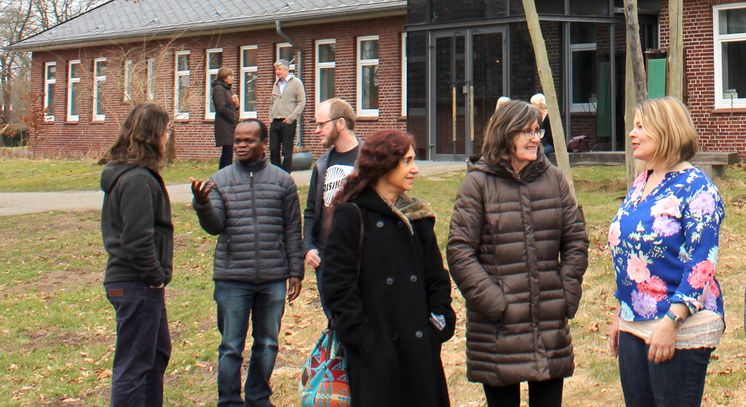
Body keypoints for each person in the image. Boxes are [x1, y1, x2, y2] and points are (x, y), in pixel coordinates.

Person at [447, 100, 588, 407]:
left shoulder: (554, 180)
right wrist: (494, 302)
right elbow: (460, 252)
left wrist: (566, 292)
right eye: (525, 131)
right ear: (504, 135)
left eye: (537, 130)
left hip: (548, 321)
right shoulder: (477, 184)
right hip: (498, 329)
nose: (535, 138)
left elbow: (576, 238)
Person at [322, 130, 456, 407]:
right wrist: (366, 342)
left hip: (421, 353)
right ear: (385, 164)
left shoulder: (418, 216)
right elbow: (338, 288)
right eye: (407, 161)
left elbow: (437, 280)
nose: (415, 169)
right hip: (376, 359)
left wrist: (438, 324)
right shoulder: (352, 215)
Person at [607, 97, 725, 407]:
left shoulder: (697, 187)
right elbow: (632, 254)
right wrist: (622, 311)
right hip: (635, 320)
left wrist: (672, 321)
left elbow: (702, 262)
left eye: (641, 126)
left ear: (667, 131)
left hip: (678, 325)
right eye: (633, 126)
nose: (632, 133)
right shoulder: (641, 181)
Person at [190, 118, 304, 407]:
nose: (240, 145)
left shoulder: (283, 181)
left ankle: (258, 397)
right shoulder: (221, 180)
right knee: (231, 346)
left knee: (267, 344)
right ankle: (229, 400)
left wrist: (295, 271)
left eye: (247, 140)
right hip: (232, 278)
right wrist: (203, 205)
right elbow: (215, 226)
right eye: (237, 140)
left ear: (263, 143)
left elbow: (293, 229)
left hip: (272, 277)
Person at [99, 103, 173, 406]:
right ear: (153, 135)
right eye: (166, 131)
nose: (168, 137)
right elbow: (137, 238)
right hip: (135, 283)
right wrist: (155, 278)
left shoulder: (137, 175)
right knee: (134, 365)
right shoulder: (137, 180)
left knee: (156, 354)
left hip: (138, 284)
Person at [303, 97, 360, 317]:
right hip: (327, 262)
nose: (317, 130)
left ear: (340, 123)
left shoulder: (369, 160)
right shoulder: (321, 165)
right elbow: (310, 211)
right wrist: (308, 247)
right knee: (335, 324)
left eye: (321, 124)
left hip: (359, 259)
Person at [269, 59, 306, 173]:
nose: (277, 72)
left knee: (286, 152)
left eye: (279, 69)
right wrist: (271, 117)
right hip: (275, 121)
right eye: (276, 69)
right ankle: (276, 174)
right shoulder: (276, 84)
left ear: (286, 69)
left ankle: (285, 175)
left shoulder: (296, 83)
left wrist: (292, 117)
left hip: (287, 122)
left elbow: (301, 102)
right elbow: (273, 102)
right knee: (273, 150)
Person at [213, 67, 240, 169]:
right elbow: (220, 107)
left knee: (228, 151)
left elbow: (231, 107)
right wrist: (232, 117)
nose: (233, 78)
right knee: (227, 151)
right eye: (231, 76)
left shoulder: (227, 89)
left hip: (229, 124)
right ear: (224, 77)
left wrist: (236, 104)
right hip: (224, 125)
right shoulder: (218, 89)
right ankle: (224, 174)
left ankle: (224, 173)